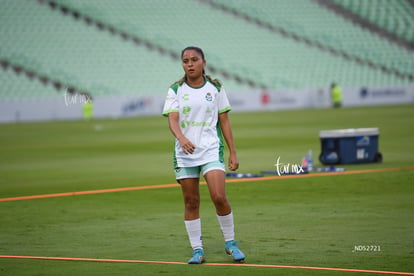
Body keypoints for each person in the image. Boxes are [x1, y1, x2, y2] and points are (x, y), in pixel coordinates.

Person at [162, 46, 245, 264]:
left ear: (203, 63)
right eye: (186, 61)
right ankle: (197, 250)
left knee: (218, 196)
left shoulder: (216, 88)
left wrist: (233, 152)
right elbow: (172, 119)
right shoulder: (175, 89)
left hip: (210, 150)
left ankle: (231, 244)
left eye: (194, 60)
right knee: (191, 202)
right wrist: (181, 138)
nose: (189, 64)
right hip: (185, 153)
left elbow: (224, 121)